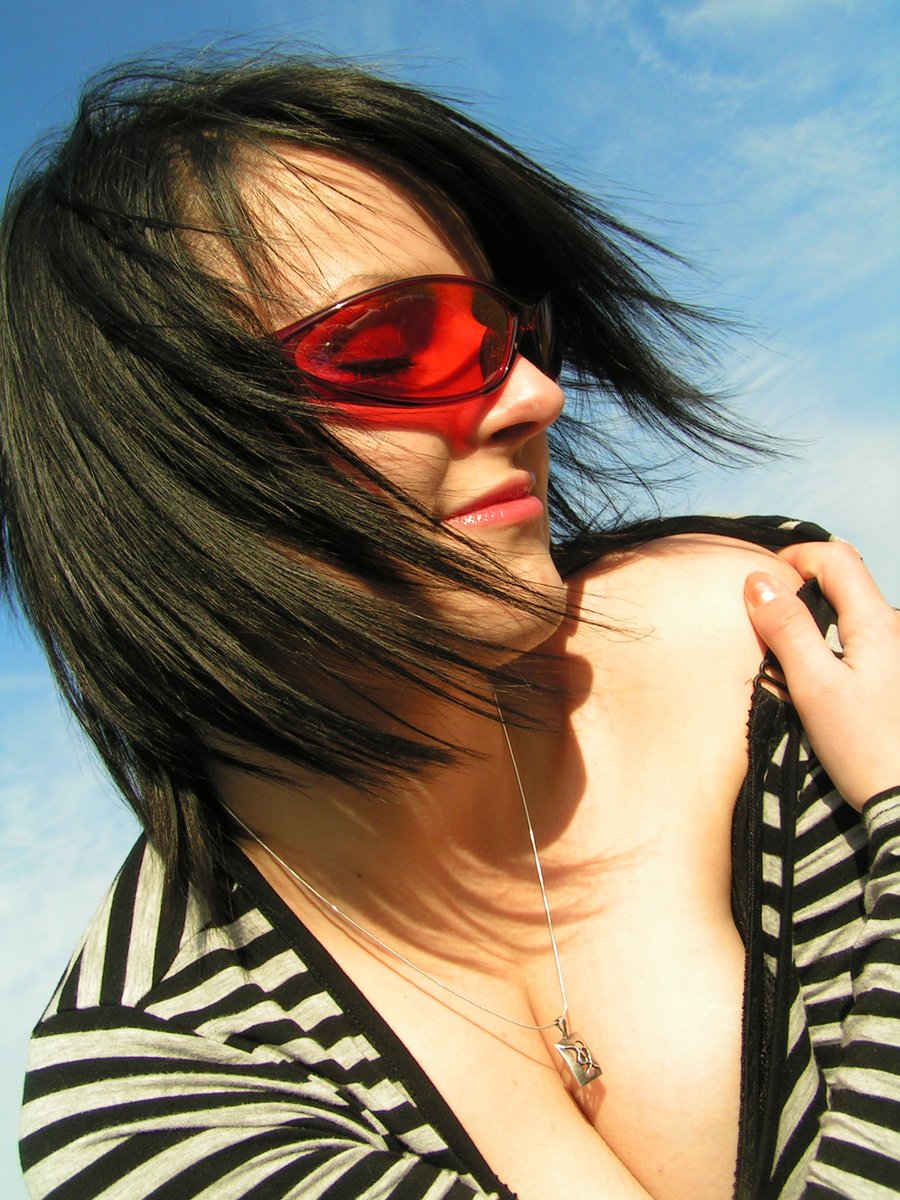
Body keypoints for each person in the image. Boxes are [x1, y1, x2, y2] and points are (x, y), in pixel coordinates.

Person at [2, 53, 898, 1200]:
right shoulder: (160, 1074)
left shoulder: (766, 641)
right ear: (150, 457)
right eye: (394, 346)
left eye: (509, 328)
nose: (536, 395)